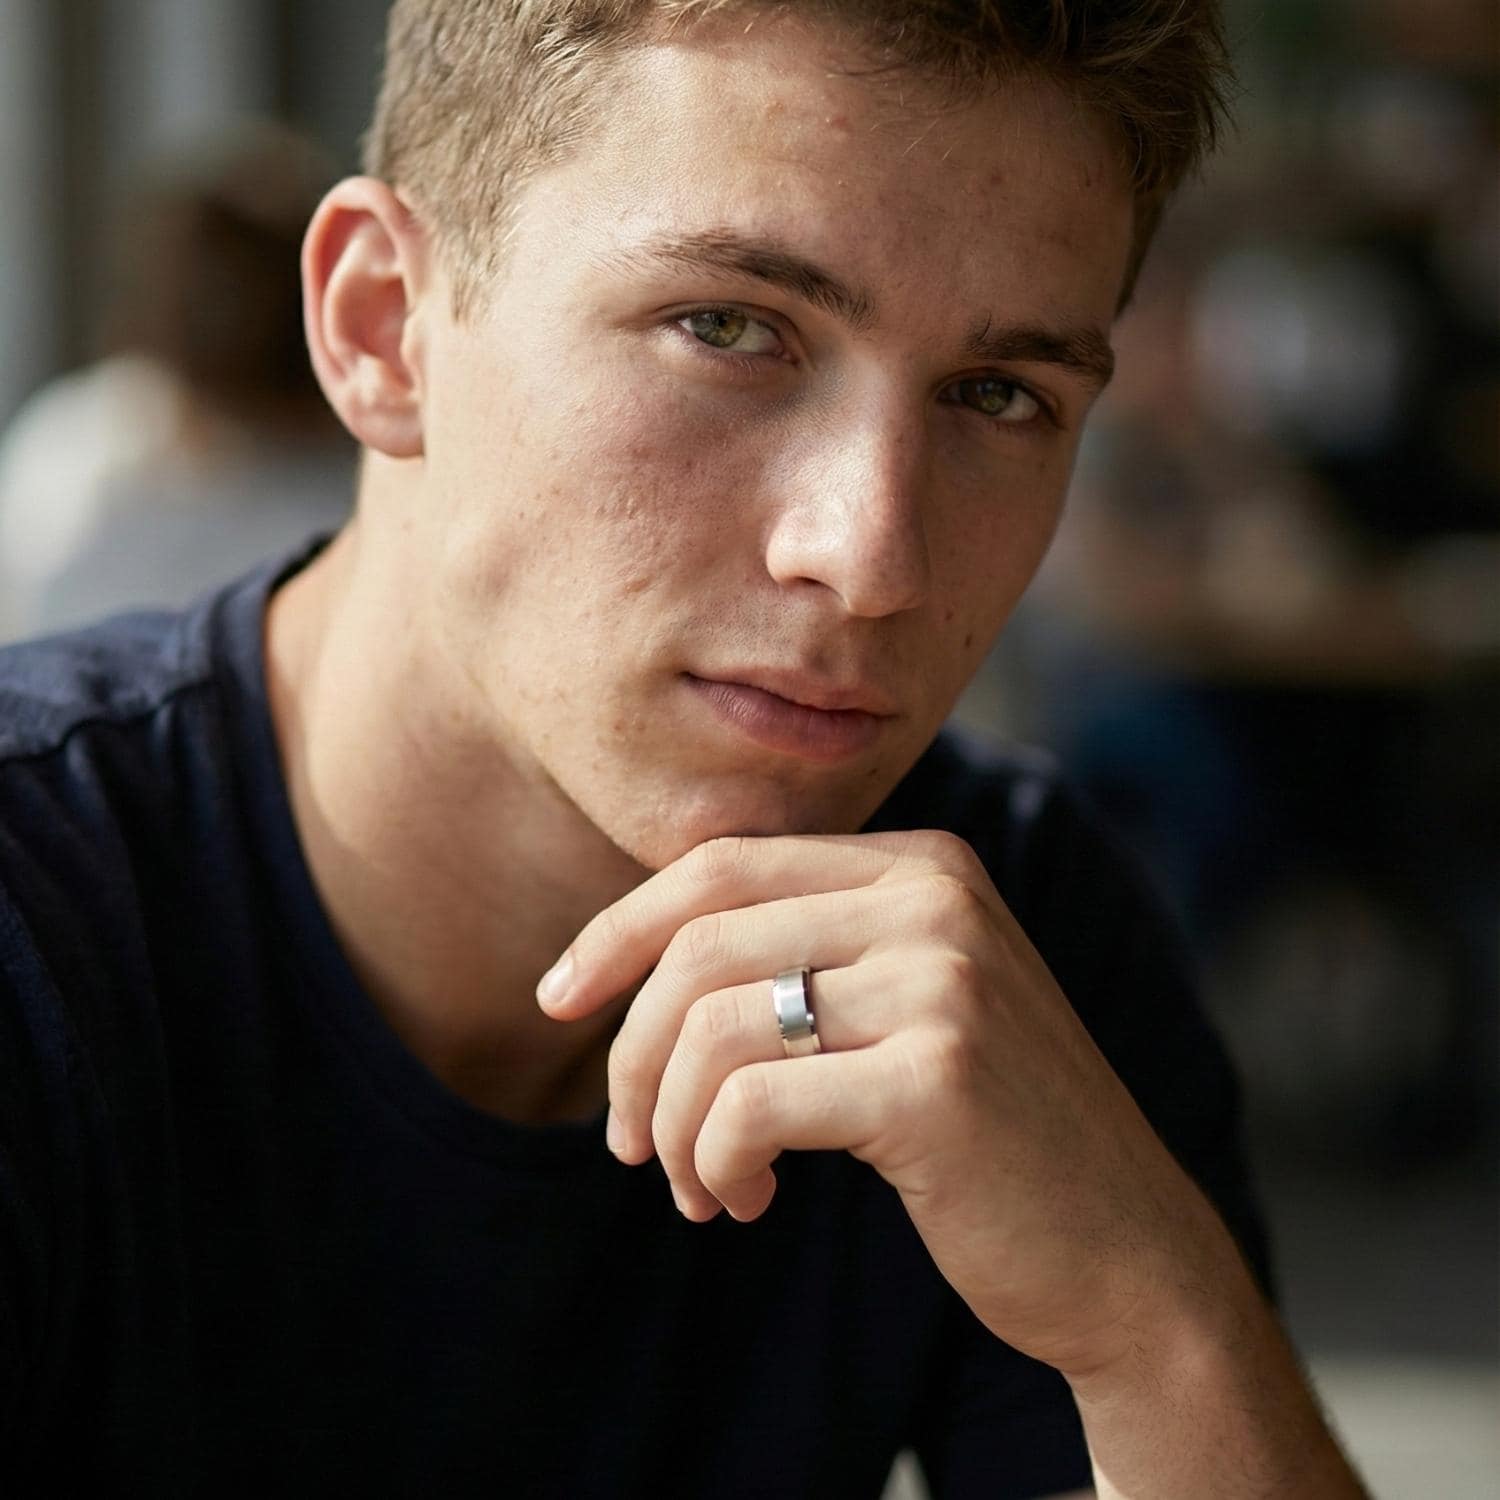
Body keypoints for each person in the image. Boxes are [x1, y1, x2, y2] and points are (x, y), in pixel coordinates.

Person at [0, 3, 1370, 1495]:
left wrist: (1153, 1324)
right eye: (728, 328)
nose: (872, 555)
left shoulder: (1002, 939)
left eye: (998, 396)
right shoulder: (35, 924)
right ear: (384, 326)